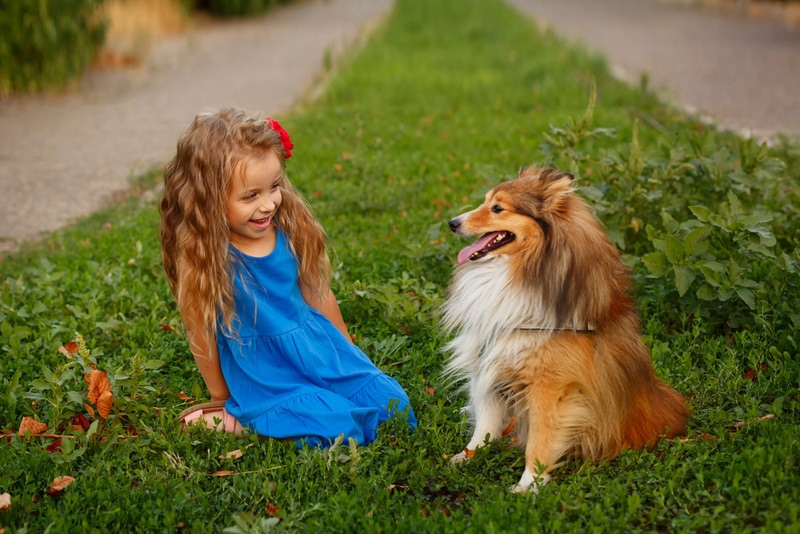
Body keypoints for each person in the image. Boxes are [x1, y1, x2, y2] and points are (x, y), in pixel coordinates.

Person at [159, 107, 416, 447]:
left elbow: (318, 294)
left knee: (394, 409)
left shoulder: (291, 227)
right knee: (338, 431)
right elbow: (199, 328)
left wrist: (348, 353)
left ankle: (302, 408)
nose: (268, 204)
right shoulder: (205, 255)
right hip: (264, 372)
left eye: (274, 187)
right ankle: (234, 419)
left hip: (316, 348)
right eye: (251, 196)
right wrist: (223, 396)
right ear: (207, 199)